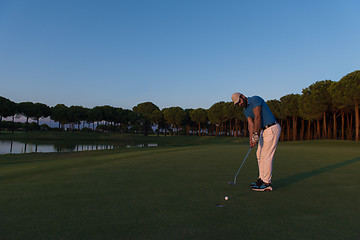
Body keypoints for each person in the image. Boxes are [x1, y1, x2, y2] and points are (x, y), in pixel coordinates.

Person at [231, 92, 281, 191]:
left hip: (272, 128)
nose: (239, 104)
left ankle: (267, 183)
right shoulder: (245, 110)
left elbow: (257, 117)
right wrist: (251, 138)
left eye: (239, 101)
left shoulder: (255, 99)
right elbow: (251, 124)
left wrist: (255, 135)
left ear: (243, 96)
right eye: (237, 104)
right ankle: (261, 179)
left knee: (266, 155)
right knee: (259, 154)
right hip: (263, 130)